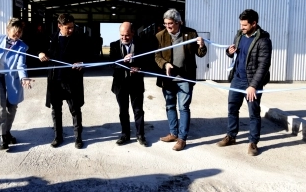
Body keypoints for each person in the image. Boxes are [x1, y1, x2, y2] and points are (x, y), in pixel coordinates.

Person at [216, 9, 272, 156]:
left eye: (245, 25)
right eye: (241, 24)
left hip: (252, 82)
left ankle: (253, 142)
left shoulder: (264, 40)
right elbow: (234, 55)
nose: (242, 27)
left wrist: (253, 86)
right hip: (237, 79)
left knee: (254, 113)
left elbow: (263, 66)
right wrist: (229, 51)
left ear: (254, 24)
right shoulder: (239, 35)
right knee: (232, 109)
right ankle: (231, 136)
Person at [155, 8, 207, 151]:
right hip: (168, 78)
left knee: (183, 107)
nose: (167, 27)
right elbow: (157, 56)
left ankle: (182, 138)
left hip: (185, 78)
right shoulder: (160, 36)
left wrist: (202, 46)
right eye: (165, 24)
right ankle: (173, 133)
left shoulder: (191, 33)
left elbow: (200, 53)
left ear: (179, 22)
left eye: (170, 24)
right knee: (170, 106)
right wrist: (165, 64)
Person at [0, 18, 33, 150]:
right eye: (14, 34)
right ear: (7, 31)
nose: (17, 37)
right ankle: (2, 137)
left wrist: (24, 78)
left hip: (12, 79)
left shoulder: (22, 46)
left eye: (19, 34)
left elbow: (21, 65)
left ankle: (7, 131)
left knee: (12, 107)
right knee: (0, 106)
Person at [38, 13, 87, 149]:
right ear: (59, 26)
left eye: (72, 27)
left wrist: (82, 62)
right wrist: (41, 53)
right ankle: (58, 137)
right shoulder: (50, 38)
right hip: (55, 81)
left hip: (72, 81)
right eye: (68, 28)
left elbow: (89, 54)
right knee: (56, 110)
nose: (71, 30)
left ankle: (78, 138)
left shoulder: (79, 38)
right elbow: (40, 49)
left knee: (75, 110)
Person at [110, 22, 148, 146]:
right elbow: (112, 63)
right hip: (120, 84)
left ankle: (140, 135)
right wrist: (122, 61)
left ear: (132, 33)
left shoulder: (141, 44)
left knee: (138, 111)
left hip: (136, 83)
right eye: (122, 35)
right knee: (123, 110)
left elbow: (148, 60)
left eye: (127, 35)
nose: (124, 38)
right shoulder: (114, 45)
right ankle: (125, 134)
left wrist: (139, 67)